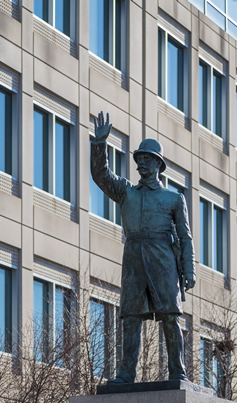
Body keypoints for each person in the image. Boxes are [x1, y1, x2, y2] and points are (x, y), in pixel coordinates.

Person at [90, 111, 196, 384]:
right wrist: (99, 145)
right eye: (139, 160)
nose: (142, 164)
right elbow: (101, 176)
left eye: (147, 160)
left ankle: (178, 371)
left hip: (163, 256)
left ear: (158, 165)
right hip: (134, 255)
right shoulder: (127, 192)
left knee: (171, 316)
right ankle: (126, 373)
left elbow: (185, 237)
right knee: (130, 317)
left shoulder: (173, 198)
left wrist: (188, 270)